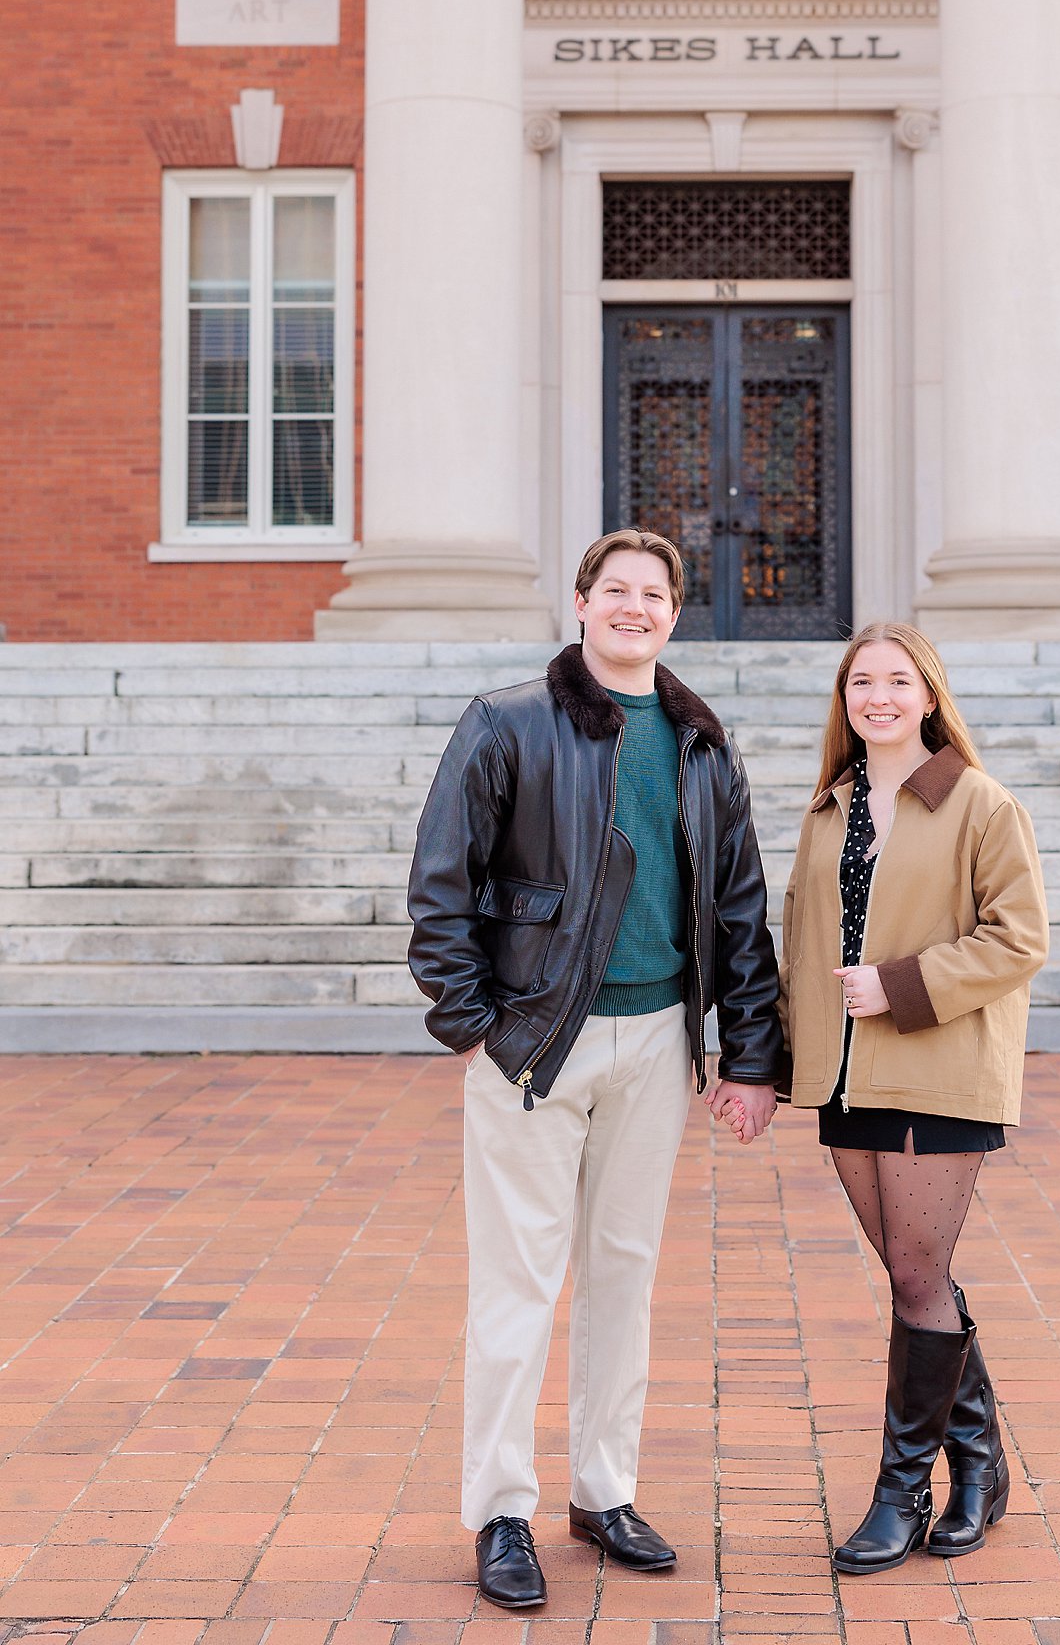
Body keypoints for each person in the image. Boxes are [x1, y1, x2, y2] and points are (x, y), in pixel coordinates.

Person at [408, 529, 782, 1611]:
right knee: (517, 1282)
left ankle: (604, 1491)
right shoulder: (508, 722)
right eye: (615, 589)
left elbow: (741, 908)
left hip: (658, 1041)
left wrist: (750, 1053)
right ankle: (501, 1510)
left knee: (624, 1272)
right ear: (580, 603)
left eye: (653, 593)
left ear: (675, 614)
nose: (634, 607)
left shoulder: (702, 743)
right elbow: (441, 883)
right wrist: (474, 1026)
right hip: (535, 1043)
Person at [774, 622, 1048, 1575]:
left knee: (917, 1276)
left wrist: (899, 985)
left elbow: (1019, 938)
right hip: (846, 1076)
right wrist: (772, 1062)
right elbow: (800, 943)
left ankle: (902, 1495)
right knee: (913, 1278)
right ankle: (979, 1468)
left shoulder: (979, 802)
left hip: (939, 1064)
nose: (878, 697)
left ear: (929, 695)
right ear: (844, 700)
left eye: (897, 681)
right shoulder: (829, 809)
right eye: (861, 682)